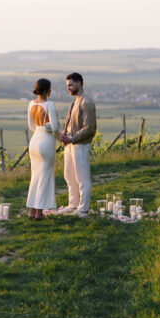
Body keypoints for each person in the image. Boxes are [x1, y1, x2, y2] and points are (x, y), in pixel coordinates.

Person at [59, 72, 96, 217]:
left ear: (79, 83)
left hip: (80, 145)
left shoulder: (86, 102)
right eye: (67, 85)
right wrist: (64, 134)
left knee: (82, 178)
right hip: (70, 144)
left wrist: (73, 139)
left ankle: (83, 209)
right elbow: (71, 125)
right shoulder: (75, 101)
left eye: (71, 85)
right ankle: (73, 204)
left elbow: (89, 128)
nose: (68, 88)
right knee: (69, 176)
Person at [25, 78, 59, 220]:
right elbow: (55, 127)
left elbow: (31, 126)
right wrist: (55, 133)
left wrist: (41, 129)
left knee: (35, 176)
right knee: (45, 176)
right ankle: (39, 212)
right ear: (47, 90)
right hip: (46, 141)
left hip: (34, 141)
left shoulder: (31, 104)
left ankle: (31, 210)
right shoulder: (50, 105)